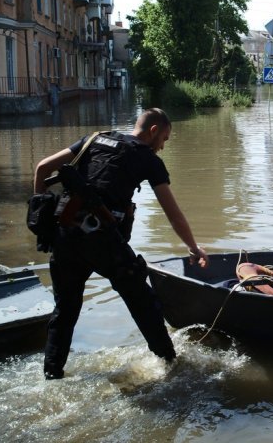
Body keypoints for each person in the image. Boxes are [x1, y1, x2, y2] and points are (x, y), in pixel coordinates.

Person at [32, 108, 209, 379]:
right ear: (153, 131)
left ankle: (52, 374)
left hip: (65, 238)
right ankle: (172, 365)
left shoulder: (93, 140)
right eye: (164, 139)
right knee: (143, 301)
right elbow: (173, 214)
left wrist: (42, 217)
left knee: (65, 311)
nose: (162, 146)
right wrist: (193, 248)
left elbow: (42, 168)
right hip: (103, 241)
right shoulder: (148, 159)